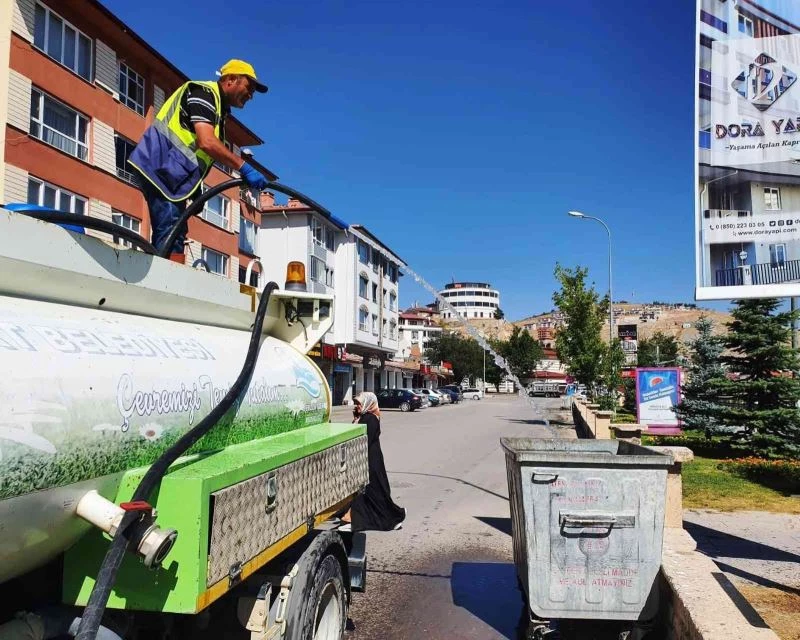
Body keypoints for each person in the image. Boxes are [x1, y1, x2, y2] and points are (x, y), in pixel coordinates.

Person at [128, 59, 270, 262]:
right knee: (171, 233)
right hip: (159, 168)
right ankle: (166, 285)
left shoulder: (218, 110)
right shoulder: (204, 93)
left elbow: (194, 149)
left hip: (169, 174)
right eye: (249, 87)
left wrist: (195, 190)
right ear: (230, 80)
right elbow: (206, 142)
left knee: (175, 232)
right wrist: (243, 166)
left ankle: (168, 278)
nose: (251, 95)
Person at [341, 392, 406, 532]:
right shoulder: (365, 417)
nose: (357, 406)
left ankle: (391, 518)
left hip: (371, 461)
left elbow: (363, 440)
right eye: (357, 403)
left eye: (359, 403)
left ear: (368, 404)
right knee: (367, 492)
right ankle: (354, 518)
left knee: (374, 491)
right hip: (366, 459)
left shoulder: (370, 419)